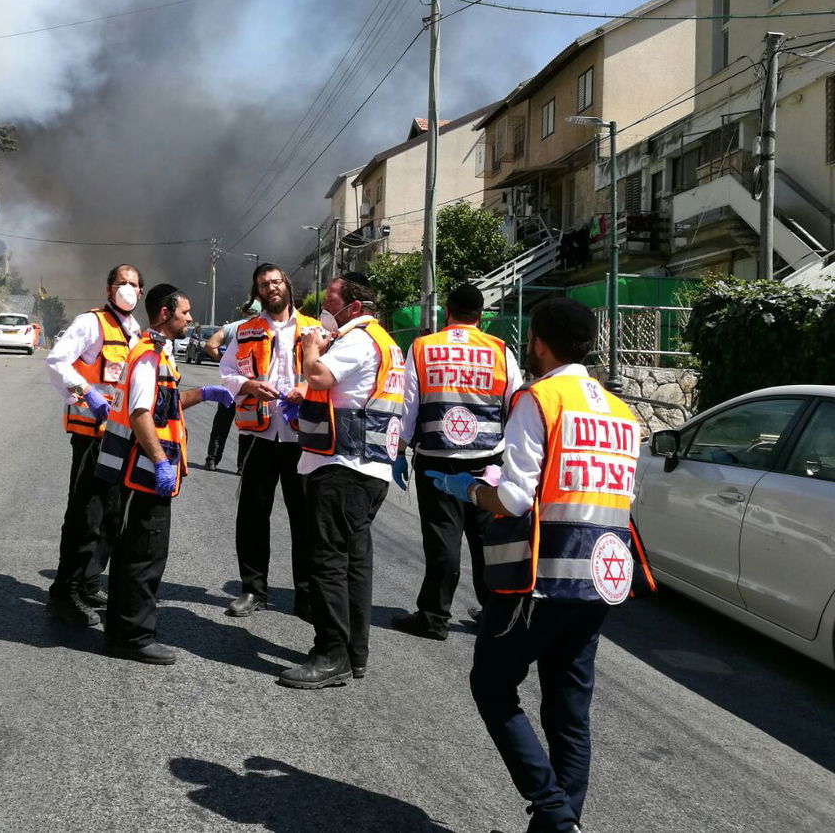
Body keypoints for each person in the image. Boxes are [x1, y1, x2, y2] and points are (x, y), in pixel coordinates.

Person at [430, 297, 653, 833]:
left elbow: (513, 500)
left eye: (531, 339)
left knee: (492, 685)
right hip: (603, 577)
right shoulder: (624, 414)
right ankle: (560, 824)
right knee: (569, 711)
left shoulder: (540, 398)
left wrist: (468, 488)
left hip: (541, 579)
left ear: (540, 343)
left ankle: (553, 813)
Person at [278, 271, 404, 688]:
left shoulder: (357, 340)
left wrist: (312, 350)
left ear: (354, 305)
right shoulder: (387, 342)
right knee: (354, 564)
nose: (324, 308)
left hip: (342, 468)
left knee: (328, 561)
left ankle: (331, 653)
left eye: (331, 300)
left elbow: (320, 376)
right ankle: (354, 653)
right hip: (366, 468)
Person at [97, 284, 234, 664]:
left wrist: (204, 393)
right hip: (145, 471)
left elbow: (165, 405)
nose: (191, 318)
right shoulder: (147, 357)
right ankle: (134, 636)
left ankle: (121, 629)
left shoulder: (156, 352)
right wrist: (159, 462)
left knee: (136, 551)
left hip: (143, 470)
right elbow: (141, 414)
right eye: (185, 312)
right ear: (164, 314)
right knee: (145, 553)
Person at [392, 282, 522, 641]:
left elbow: (408, 406)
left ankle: (434, 616)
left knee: (442, 538)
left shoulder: (422, 348)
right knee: (485, 540)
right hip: (487, 460)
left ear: (446, 312)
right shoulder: (499, 350)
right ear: (481, 316)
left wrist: (399, 450)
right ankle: (494, 613)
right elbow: (516, 403)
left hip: (437, 459)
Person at [217, 264, 320, 618]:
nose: (271, 288)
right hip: (259, 435)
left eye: (276, 282)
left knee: (305, 519)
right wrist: (247, 386)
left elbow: (330, 376)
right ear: (257, 292)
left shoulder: (316, 329)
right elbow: (226, 371)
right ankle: (253, 590)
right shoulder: (246, 331)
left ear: (287, 285)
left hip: (302, 437)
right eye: (264, 284)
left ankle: (306, 594)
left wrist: (307, 386)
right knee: (252, 515)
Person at [44, 264, 143, 626]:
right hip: (90, 436)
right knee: (86, 513)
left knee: (110, 515)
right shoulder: (91, 323)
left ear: (141, 293)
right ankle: (64, 592)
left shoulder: (134, 332)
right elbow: (56, 362)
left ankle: (88, 581)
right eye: (122, 283)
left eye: (134, 284)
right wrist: (87, 393)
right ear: (108, 287)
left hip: (119, 437)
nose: (127, 289)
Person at [202, 318, 251, 473]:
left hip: (230, 385)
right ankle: (243, 466)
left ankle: (212, 459)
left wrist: (224, 361)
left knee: (221, 424)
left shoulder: (232, 327)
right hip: (250, 386)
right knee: (247, 427)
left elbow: (210, 345)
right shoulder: (262, 327)